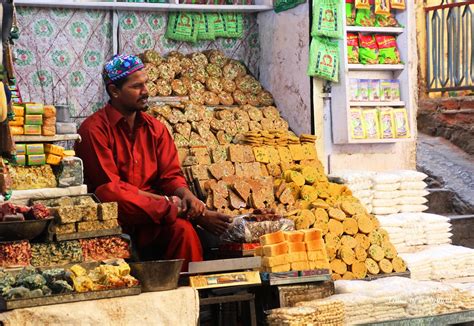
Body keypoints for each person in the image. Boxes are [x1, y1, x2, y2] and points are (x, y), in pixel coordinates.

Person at [75, 54, 231, 271]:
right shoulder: (93, 130)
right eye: (137, 86)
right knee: (110, 194)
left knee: (184, 232)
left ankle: (188, 296)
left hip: (156, 218)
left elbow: (171, 176)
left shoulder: (156, 128)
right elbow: (112, 192)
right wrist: (174, 206)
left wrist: (188, 198)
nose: (146, 91)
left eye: (145, 83)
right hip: (118, 218)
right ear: (114, 91)